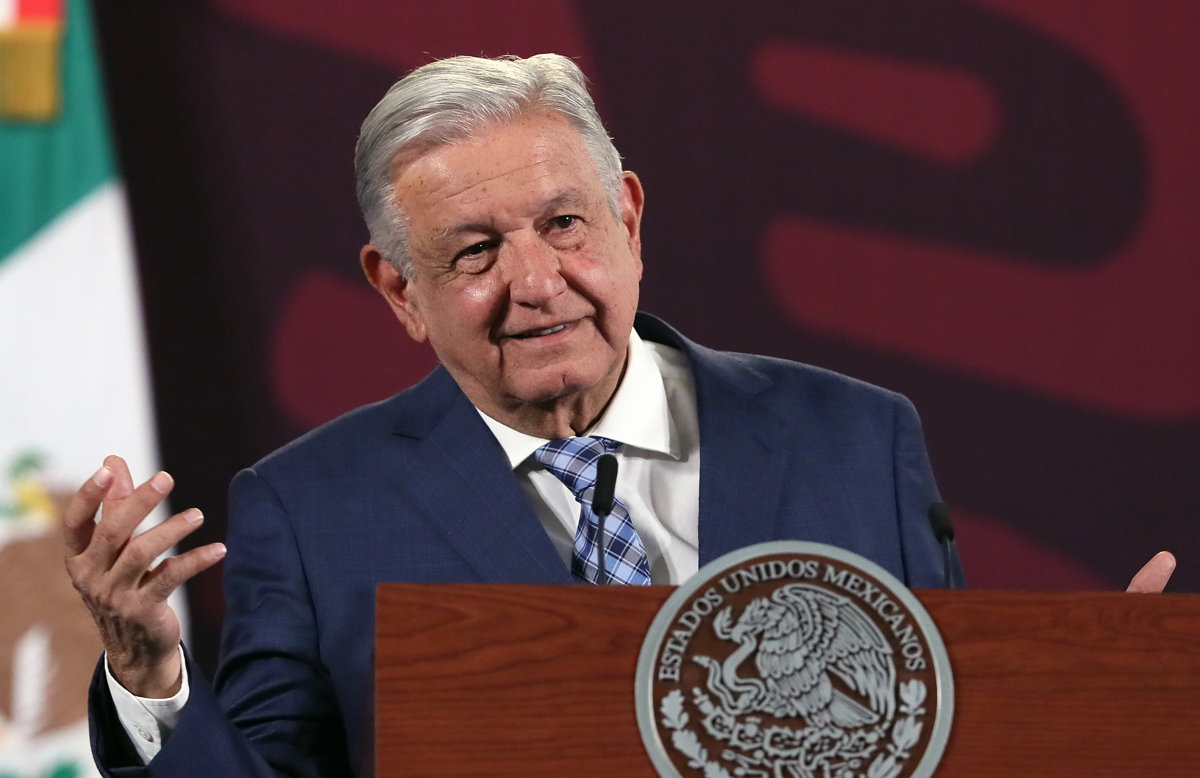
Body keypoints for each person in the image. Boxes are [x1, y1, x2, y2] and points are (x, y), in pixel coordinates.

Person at [62, 54, 1175, 777]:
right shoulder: (309, 509)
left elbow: (935, 737)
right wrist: (152, 673)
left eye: (563, 223)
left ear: (630, 217)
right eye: (476, 252)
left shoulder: (854, 437)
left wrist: (1086, 713)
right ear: (399, 290)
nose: (538, 280)